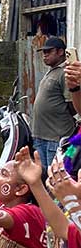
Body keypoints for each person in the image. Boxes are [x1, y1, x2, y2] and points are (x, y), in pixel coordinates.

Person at [33, 37, 78, 168]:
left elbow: (72, 105)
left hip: (56, 137)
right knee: (43, 177)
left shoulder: (66, 73)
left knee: (54, 178)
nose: (45, 55)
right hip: (41, 135)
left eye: (48, 51)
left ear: (60, 52)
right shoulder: (52, 72)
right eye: (43, 52)